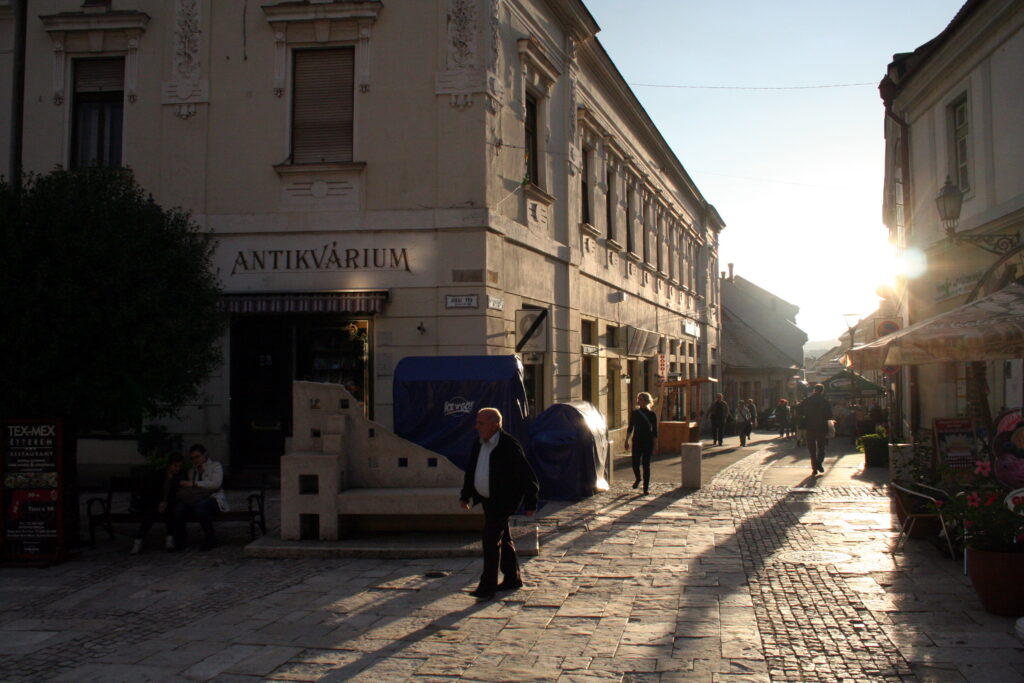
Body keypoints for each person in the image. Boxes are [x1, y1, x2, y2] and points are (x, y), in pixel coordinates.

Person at [460, 408, 539, 601]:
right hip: (487, 499)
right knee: (503, 538)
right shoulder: (479, 444)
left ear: (495, 424)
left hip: (504, 500)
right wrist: (466, 495)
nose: (476, 427)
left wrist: (530, 503)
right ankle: (512, 578)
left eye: (481, 423)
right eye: (477, 422)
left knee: (490, 538)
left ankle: (487, 586)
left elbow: (527, 476)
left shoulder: (508, 445)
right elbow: (472, 470)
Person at [171, 444, 229, 551]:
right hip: (195, 499)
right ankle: (180, 540)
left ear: (204, 454)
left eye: (197, 457)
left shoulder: (215, 466)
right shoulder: (192, 471)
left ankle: (210, 538)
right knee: (179, 508)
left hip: (213, 499)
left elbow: (215, 484)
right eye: (192, 458)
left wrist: (194, 483)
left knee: (201, 506)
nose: (195, 460)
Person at [131, 453, 187, 554]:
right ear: (169, 464)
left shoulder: (180, 476)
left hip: (170, 503)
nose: (177, 468)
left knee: (171, 512)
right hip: (155, 502)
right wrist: (159, 502)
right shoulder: (159, 475)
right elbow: (152, 491)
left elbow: (178, 494)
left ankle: (169, 541)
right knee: (149, 514)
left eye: (179, 466)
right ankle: (138, 541)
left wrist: (166, 502)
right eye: (175, 465)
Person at [624, 392, 659, 495]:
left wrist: (655, 445)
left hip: (647, 441)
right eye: (638, 399)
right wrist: (626, 440)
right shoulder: (635, 413)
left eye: (640, 399)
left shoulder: (652, 414)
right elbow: (630, 428)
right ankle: (638, 478)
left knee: (646, 464)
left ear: (646, 401)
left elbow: (654, 431)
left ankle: (646, 488)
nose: (638, 401)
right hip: (637, 440)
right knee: (635, 463)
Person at [798, 384, 833, 475]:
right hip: (821, 428)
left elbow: (798, 409)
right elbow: (829, 415)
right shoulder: (825, 401)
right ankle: (818, 462)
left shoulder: (808, 400)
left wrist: (804, 416)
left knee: (812, 449)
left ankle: (814, 468)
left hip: (810, 427)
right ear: (822, 391)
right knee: (821, 447)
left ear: (814, 390)